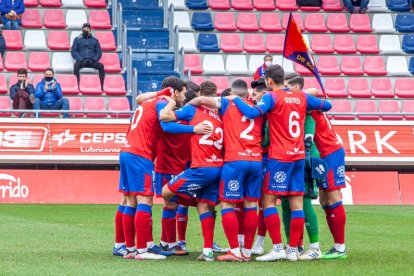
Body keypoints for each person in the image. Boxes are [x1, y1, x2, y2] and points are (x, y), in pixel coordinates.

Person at [228, 64, 332, 262]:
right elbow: (327, 106)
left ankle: (277, 247)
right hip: (298, 156)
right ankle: (293, 249)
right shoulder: (300, 96)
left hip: (279, 157)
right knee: (297, 203)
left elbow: (252, 114)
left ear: (268, 81)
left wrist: (236, 101)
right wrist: (306, 103)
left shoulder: (271, 96)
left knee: (268, 201)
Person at [119, 77, 212, 260]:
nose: (184, 97)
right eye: (183, 93)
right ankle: (143, 251)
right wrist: (194, 129)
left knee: (131, 201)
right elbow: (166, 125)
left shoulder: (150, 100)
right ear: (175, 92)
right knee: (145, 201)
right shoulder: (163, 103)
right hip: (140, 154)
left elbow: (139, 99)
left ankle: (131, 248)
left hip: (127, 151)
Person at [187, 79, 264, 262]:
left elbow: (199, 101)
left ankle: (234, 251)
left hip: (235, 160)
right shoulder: (258, 108)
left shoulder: (227, 102)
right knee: (251, 205)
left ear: (233, 92)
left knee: (227, 204)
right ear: (247, 93)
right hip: (256, 160)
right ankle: (246, 252)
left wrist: (189, 105)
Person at [159, 81, 224, 262]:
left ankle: (169, 243)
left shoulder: (192, 110)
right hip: (219, 166)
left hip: (201, 168)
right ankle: (208, 251)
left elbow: (164, 118)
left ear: (199, 95)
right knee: (204, 205)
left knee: (166, 193)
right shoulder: (219, 114)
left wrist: (173, 102)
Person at [281, 72, 322, 260]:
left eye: (287, 87)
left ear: (297, 89)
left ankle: (315, 247)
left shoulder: (304, 107)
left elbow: (314, 91)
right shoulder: (288, 104)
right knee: (285, 203)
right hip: (286, 157)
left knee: (303, 202)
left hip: (303, 158)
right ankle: (294, 246)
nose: (284, 90)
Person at [71, 23, 105, 90]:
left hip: (92, 61)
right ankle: (77, 86)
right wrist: (80, 59)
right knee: (76, 66)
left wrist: (94, 59)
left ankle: (102, 86)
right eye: (84, 29)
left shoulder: (95, 40)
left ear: (90, 30)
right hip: (81, 61)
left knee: (101, 66)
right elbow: (74, 51)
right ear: (82, 30)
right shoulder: (77, 39)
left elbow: (99, 52)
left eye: (87, 29)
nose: (86, 30)